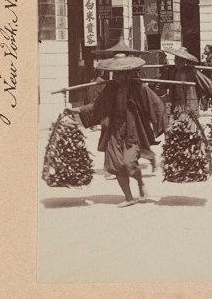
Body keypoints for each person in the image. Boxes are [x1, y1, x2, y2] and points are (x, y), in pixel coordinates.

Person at [68, 54, 168, 207]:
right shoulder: (110, 88)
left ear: (127, 73)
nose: (117, 76)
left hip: (132, 129)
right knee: (116, 166)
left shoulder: (139, 88)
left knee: (129, 163)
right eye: (115, 73)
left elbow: (156, 105)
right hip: (114, 130)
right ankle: (129, 197)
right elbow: (97, 106)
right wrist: (77, 110)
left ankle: (140, 182)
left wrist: (167, 126)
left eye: (121, 73)